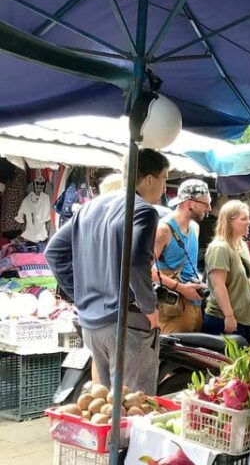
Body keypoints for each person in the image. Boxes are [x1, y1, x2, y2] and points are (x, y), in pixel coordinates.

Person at [45, 149, 169, 397]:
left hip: (91, 323)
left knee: (104, 405)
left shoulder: (89, 208)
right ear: (149, 179)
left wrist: (81, 295)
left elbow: (54, 252)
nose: (164, 188)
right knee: (135, 408)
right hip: (127, 323)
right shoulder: (143, 210)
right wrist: (149, 306)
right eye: (165, 179)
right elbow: (136, 262)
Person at [151, 179, 211, 334]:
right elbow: (146, 270)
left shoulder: (194, 228)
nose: (209, 208)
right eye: (205, 203)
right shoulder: (163, 230)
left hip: (195, 305)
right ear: (190, 203)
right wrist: (182, 288)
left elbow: (189, 264)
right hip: (173, 306)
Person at [202, 200, 250, 341]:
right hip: (224, 319)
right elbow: (218, 285)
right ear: (229, 221)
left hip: (243, 319)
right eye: (243, 219)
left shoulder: (241, 246)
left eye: (248, 218)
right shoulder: (220, 248)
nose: (248, 222)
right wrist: (229, 316)